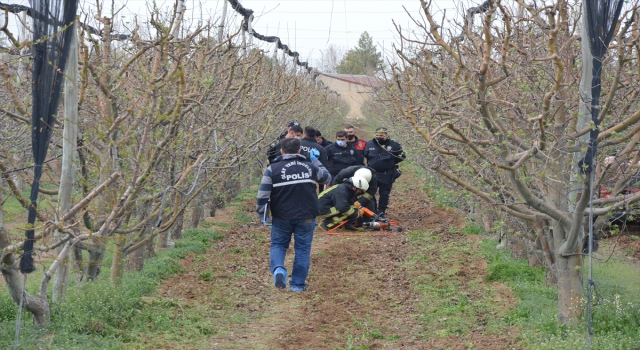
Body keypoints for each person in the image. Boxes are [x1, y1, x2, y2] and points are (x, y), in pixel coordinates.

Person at [256, 138, 331, 292]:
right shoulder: (310, 167)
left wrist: (262, 215)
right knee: (303, 249)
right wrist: (316, 161)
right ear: (299, 151)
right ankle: (297, 285)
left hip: (282, 215)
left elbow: (262, 195)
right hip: (307, 215)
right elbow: (327, 178)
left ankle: (278, 269)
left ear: (281, 151)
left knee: (278, 245)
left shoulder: (272, 169)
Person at [364, 127, 406, 219]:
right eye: (377, 135)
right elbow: (366, 155)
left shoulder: (394, 145)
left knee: (384, 194)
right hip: (372, 173)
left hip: (386, 174)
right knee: (370, 192)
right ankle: (373, 210)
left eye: (381, 135)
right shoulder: (370, 144)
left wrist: (390, 162)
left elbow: (402, 156)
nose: (379, 137)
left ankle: (381, 211)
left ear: (386, 135)